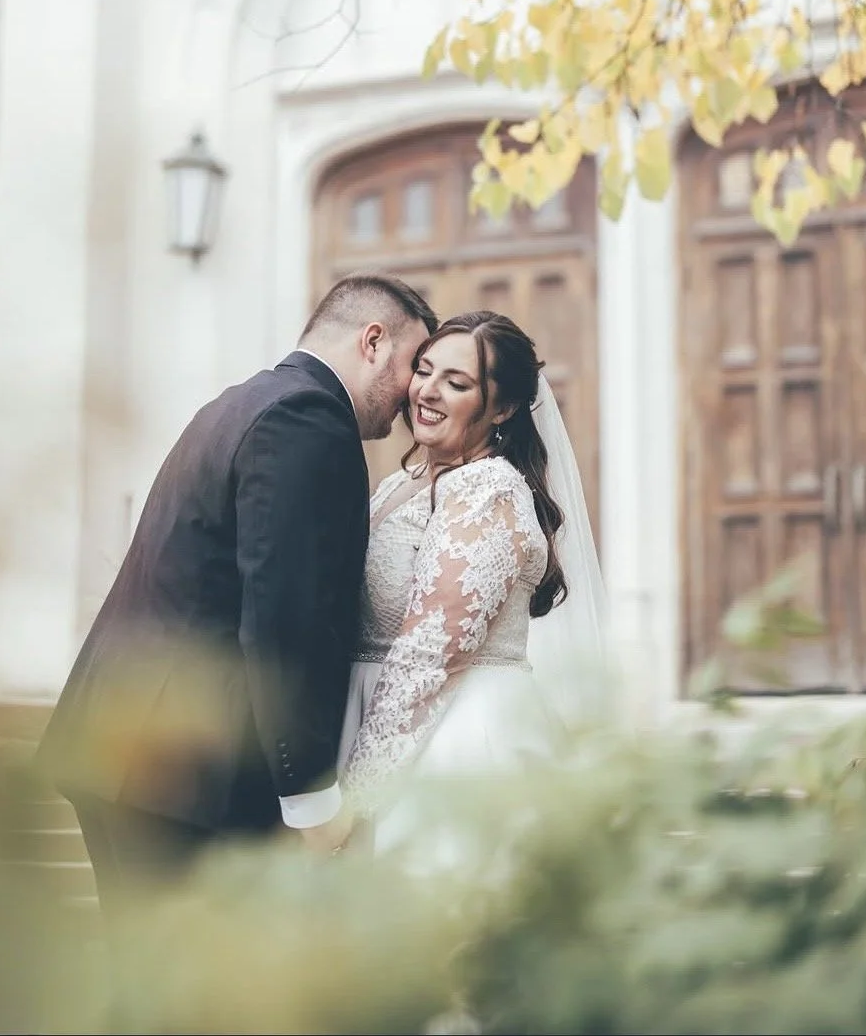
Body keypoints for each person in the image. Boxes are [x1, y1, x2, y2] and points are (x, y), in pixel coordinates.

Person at [37, 273, 436, 915]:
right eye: (416, 363)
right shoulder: (308, 420)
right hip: (188, 771)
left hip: (124, 744)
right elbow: (287, 619)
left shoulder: (240, 402)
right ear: (372, 341)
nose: (416, 391)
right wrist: (310, 797)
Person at [339, 310, 607, 845]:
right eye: (424, 370)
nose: (427, 391)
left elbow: (432, 655)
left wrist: (355, 802)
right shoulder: (403, 483)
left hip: (451, 744)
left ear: (502, 408)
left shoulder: (487, 492)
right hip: (373, 719)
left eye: (456, 383)